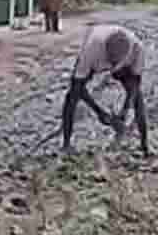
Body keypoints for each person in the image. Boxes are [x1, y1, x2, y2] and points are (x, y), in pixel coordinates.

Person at [61, 24, 150, 157]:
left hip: (125, 61)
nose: (112, 70)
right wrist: (99, 112)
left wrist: (125, 110)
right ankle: (66, 145)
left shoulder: (137, 49)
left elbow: (135, 86)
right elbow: (77, 87)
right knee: (71, 97)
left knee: (138, 98)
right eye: (112, 63)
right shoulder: (91, 49)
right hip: (96, 52)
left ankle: (145, 146)